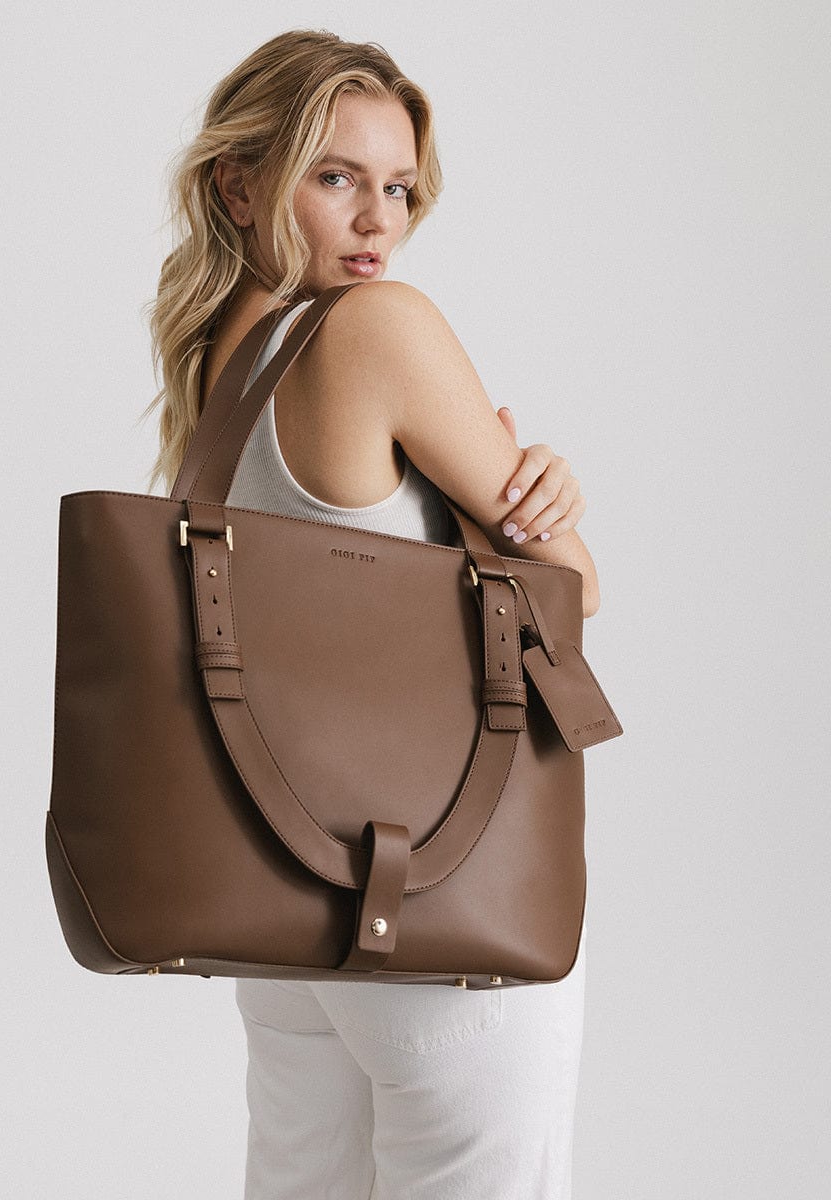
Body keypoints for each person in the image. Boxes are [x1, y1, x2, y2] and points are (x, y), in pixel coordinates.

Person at [142, 29, 600, 1200]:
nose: (376, 222)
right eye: (334, 175)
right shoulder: (382, 328)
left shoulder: (217, 377)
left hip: (289, 923)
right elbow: (572, 589)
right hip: (441, 911)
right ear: (238, 181)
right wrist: (530, 490)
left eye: (396, 187)